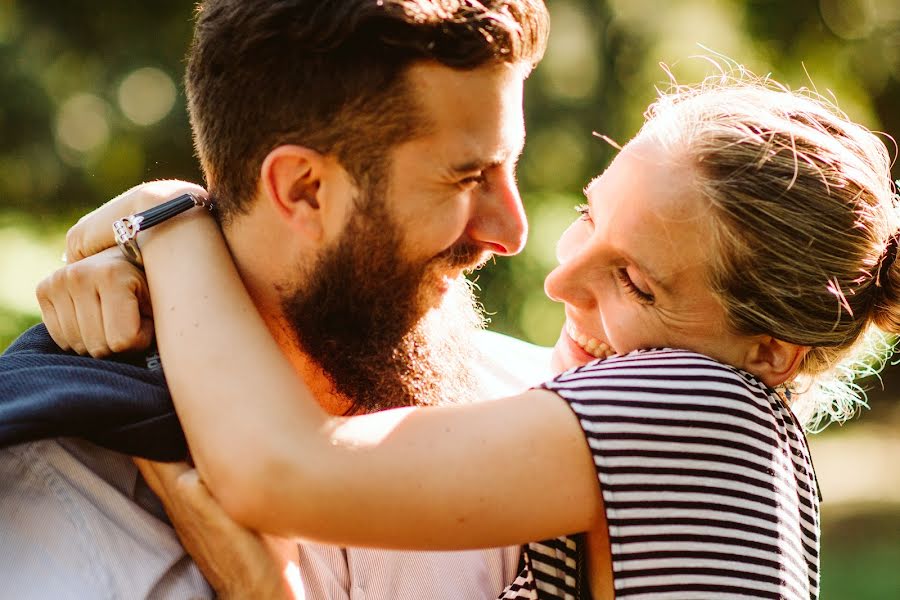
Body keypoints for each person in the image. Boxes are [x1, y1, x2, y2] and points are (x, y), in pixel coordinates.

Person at [46, 71, 899, 600]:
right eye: (589, 218)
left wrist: (169, 218)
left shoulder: (701, 406)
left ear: (771, 353)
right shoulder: (659, 429)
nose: (561, 280)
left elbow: (284, 468)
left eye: (636, 282)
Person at [0, 1, 553, 598]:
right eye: (469, 178)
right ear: (303, 190)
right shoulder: (60, 514)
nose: (512, 231)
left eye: (511, 166)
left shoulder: (534, 407)